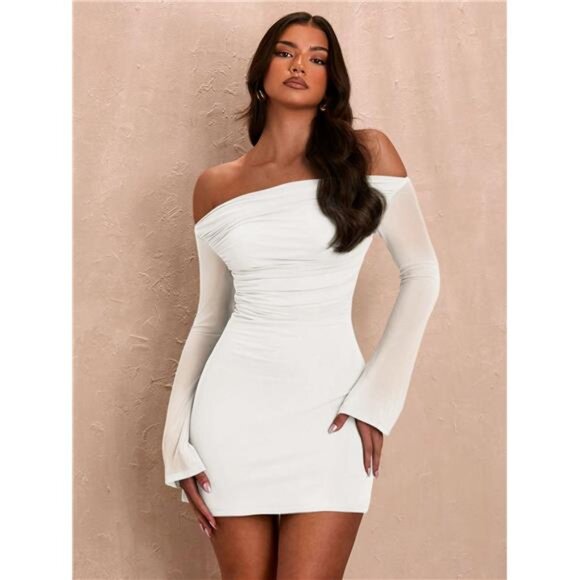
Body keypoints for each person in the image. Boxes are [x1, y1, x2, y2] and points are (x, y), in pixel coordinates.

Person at [162, 11, 440, 579]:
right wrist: (175, 440)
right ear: (262, 70)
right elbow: (211, 318)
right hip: (230, 417)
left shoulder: (368, 154)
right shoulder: (216, 185)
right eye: (286, 52)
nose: (299, 66)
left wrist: (376, 400)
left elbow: (422, 272)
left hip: (330, 410)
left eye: (317, 58)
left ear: (331, 80)